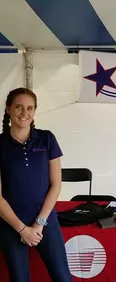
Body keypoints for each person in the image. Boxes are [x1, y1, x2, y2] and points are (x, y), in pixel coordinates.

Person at [0, 88, 73, 282]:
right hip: (10, 224)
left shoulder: (47, 138)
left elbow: (56, 184)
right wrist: (22, 229)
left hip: (45, 221)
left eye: (30, 108)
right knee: (20, 278)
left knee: (63, 278)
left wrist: (39, 224)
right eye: (18, 107)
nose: (25, 113)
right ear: (8, 109)